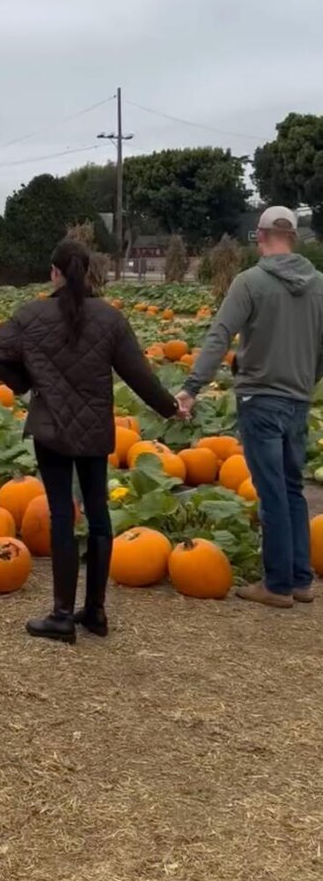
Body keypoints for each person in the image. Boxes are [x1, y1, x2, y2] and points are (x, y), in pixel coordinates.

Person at [0, 238, 181, 644]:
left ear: (54, 272)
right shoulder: (109, 318)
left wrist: (24, 382)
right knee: (98, 514)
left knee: (61, 516)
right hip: (94, 430)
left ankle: (61, 616)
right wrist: (170, 408)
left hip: (51, 428)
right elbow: (138, 374)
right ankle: (96, 612)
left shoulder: (32, 315)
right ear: (87, 271)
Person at [177, 206, 323, 608]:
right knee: (293, 489)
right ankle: (300, 580)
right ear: (294, 236)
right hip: (297, 399)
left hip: (260, 398)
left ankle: (276, 584)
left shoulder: (250, 282)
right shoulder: (319, 285)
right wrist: (308, 379)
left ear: (259, 236)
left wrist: (192, 386)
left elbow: (220, 335)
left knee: (272, 491)